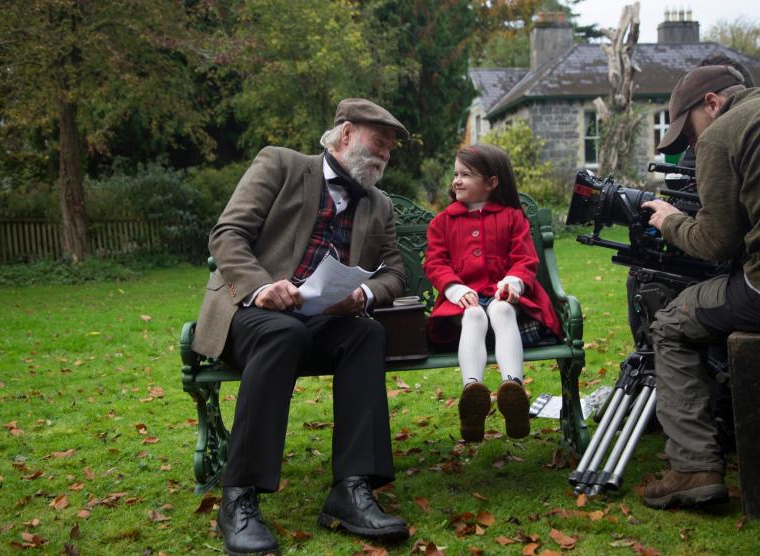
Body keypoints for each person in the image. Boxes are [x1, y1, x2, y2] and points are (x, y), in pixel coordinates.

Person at [192, 98, 411, 554]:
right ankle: (239, 497)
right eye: (379, 142)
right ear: (346, 134)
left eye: (390, 149)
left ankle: (351, 489)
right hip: (249, 314)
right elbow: (227, 234)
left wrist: (363, 295)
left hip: (321, 322)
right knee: (282, 331)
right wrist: (261, 287)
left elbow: (394, 272)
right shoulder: (280, 164)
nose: (385, 155)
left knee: (367, 334)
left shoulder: (379, 204)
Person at [640, 65, 760, 509]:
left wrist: (669, 220)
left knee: (670, 324)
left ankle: (693, 468)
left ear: (712, 103)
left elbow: (716, 242)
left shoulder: (722, 134)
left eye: (689, 133)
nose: (692, 146)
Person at [423, 144, 562, 443]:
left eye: (466, 175)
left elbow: (525, 258)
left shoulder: (512, 217)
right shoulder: (443, 222)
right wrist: (454, 288)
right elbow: (435, 263)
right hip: (464, 303)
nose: (456, 181)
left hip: (504, 299)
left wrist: (513, 282)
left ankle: (513, 388)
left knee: (501, 309)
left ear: (491, 182)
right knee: (474, 315)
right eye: (455, 174)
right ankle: (472, 392)